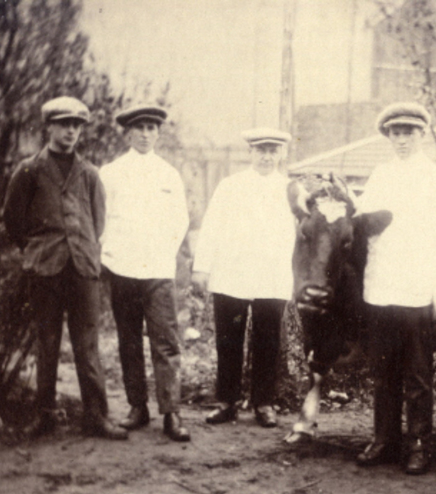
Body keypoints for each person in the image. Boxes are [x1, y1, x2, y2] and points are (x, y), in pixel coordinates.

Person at [3, 96, 127, 440]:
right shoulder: (29, 170)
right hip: (45, 269)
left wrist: (82, 249)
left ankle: (96, 416)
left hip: (83, 269)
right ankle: (45, 416)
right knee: (47, 343)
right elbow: (13, 220)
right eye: (64, 124)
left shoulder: (89, 174)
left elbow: (98, 221)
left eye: (76, 125)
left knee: (88, 345)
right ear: (50, 127)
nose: (71, 131)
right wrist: (37, 250)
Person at [354, 102, 436, 475]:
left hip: (418, 289)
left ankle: (418, 443)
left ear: (422, 134)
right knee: (383, 373)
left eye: (409, 133)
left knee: (417, 375)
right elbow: (363, 231)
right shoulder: (379, 176)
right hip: (381, 288)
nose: (402, 140)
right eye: (396, 133)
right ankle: (384, 439)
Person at [191, 128, 296, 428]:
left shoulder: (290, 189)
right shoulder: (230, 186)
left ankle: (264, 403)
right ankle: (227, 402)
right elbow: (211, 227)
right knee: (229, 339)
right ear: (250, 152)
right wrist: (202, 267)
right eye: (261, 150)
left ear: (281, 154)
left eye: (272, 151)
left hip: (271, 276)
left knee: (267, 341)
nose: (266, 157)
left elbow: (302, 235)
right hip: (232, 273)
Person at [99, 104, 191, 442]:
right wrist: (110, 253)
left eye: (151, 128)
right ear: (127, 133)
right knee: (129, 340)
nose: (145, 134)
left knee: (165, 341)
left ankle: (171, 413)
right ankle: (137, 407)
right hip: (122, 267)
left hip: (157, 269)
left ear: (158, 134)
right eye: (139, 127)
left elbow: (180, 220)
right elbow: (101, 219)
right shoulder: (110, 173)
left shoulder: (168, 174)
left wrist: (163, 252)